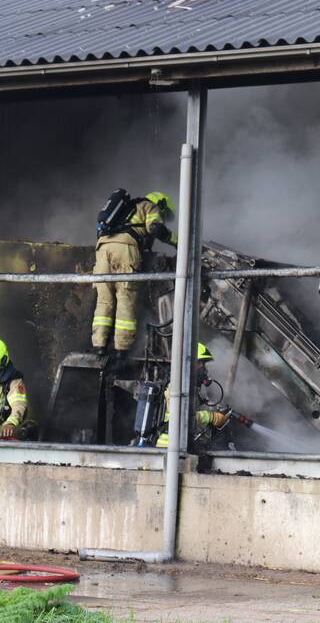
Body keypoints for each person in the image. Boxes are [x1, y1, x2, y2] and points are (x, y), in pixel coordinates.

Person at [92, 191, 178, 356]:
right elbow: (155, 228)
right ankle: (122, 350)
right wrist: (178, 242)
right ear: (162, 204)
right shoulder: (149, 206)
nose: (164, 217)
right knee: (126, 298)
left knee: (104, 300)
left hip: (102, 248)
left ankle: (99, 346)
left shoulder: (126, 210)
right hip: (125, 248)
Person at [156, 342, 228, 448]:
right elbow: (181, 418)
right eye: (200, 363)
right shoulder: (177, 387)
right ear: (188, 364)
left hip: (181, 444)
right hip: (169, 447)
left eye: (204, 364)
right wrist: (211, 417)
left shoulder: (189, 387)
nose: (204, 369)